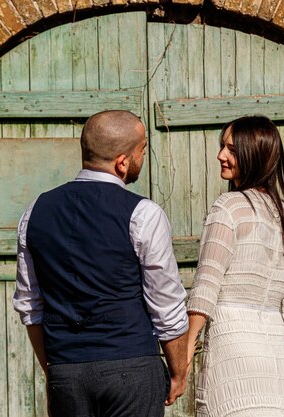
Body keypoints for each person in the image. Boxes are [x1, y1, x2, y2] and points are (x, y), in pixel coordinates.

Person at [13, 110, 189, 417]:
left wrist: (57, 368)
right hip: (131, 368)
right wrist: (178, 371)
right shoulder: (143, 214)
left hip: (66, 371)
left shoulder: (34, 212)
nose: (143, 158)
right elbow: (166, 304)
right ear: (123, 162)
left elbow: (30, 306)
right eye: (142, 151)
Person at [186, 116, 284, 416]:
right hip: (278, 367)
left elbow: (206, 289)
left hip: (232, 353)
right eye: (222, 147)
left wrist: (185, 353)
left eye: (231, 149)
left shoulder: (228, 208)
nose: (221, 155)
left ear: (254, 155)